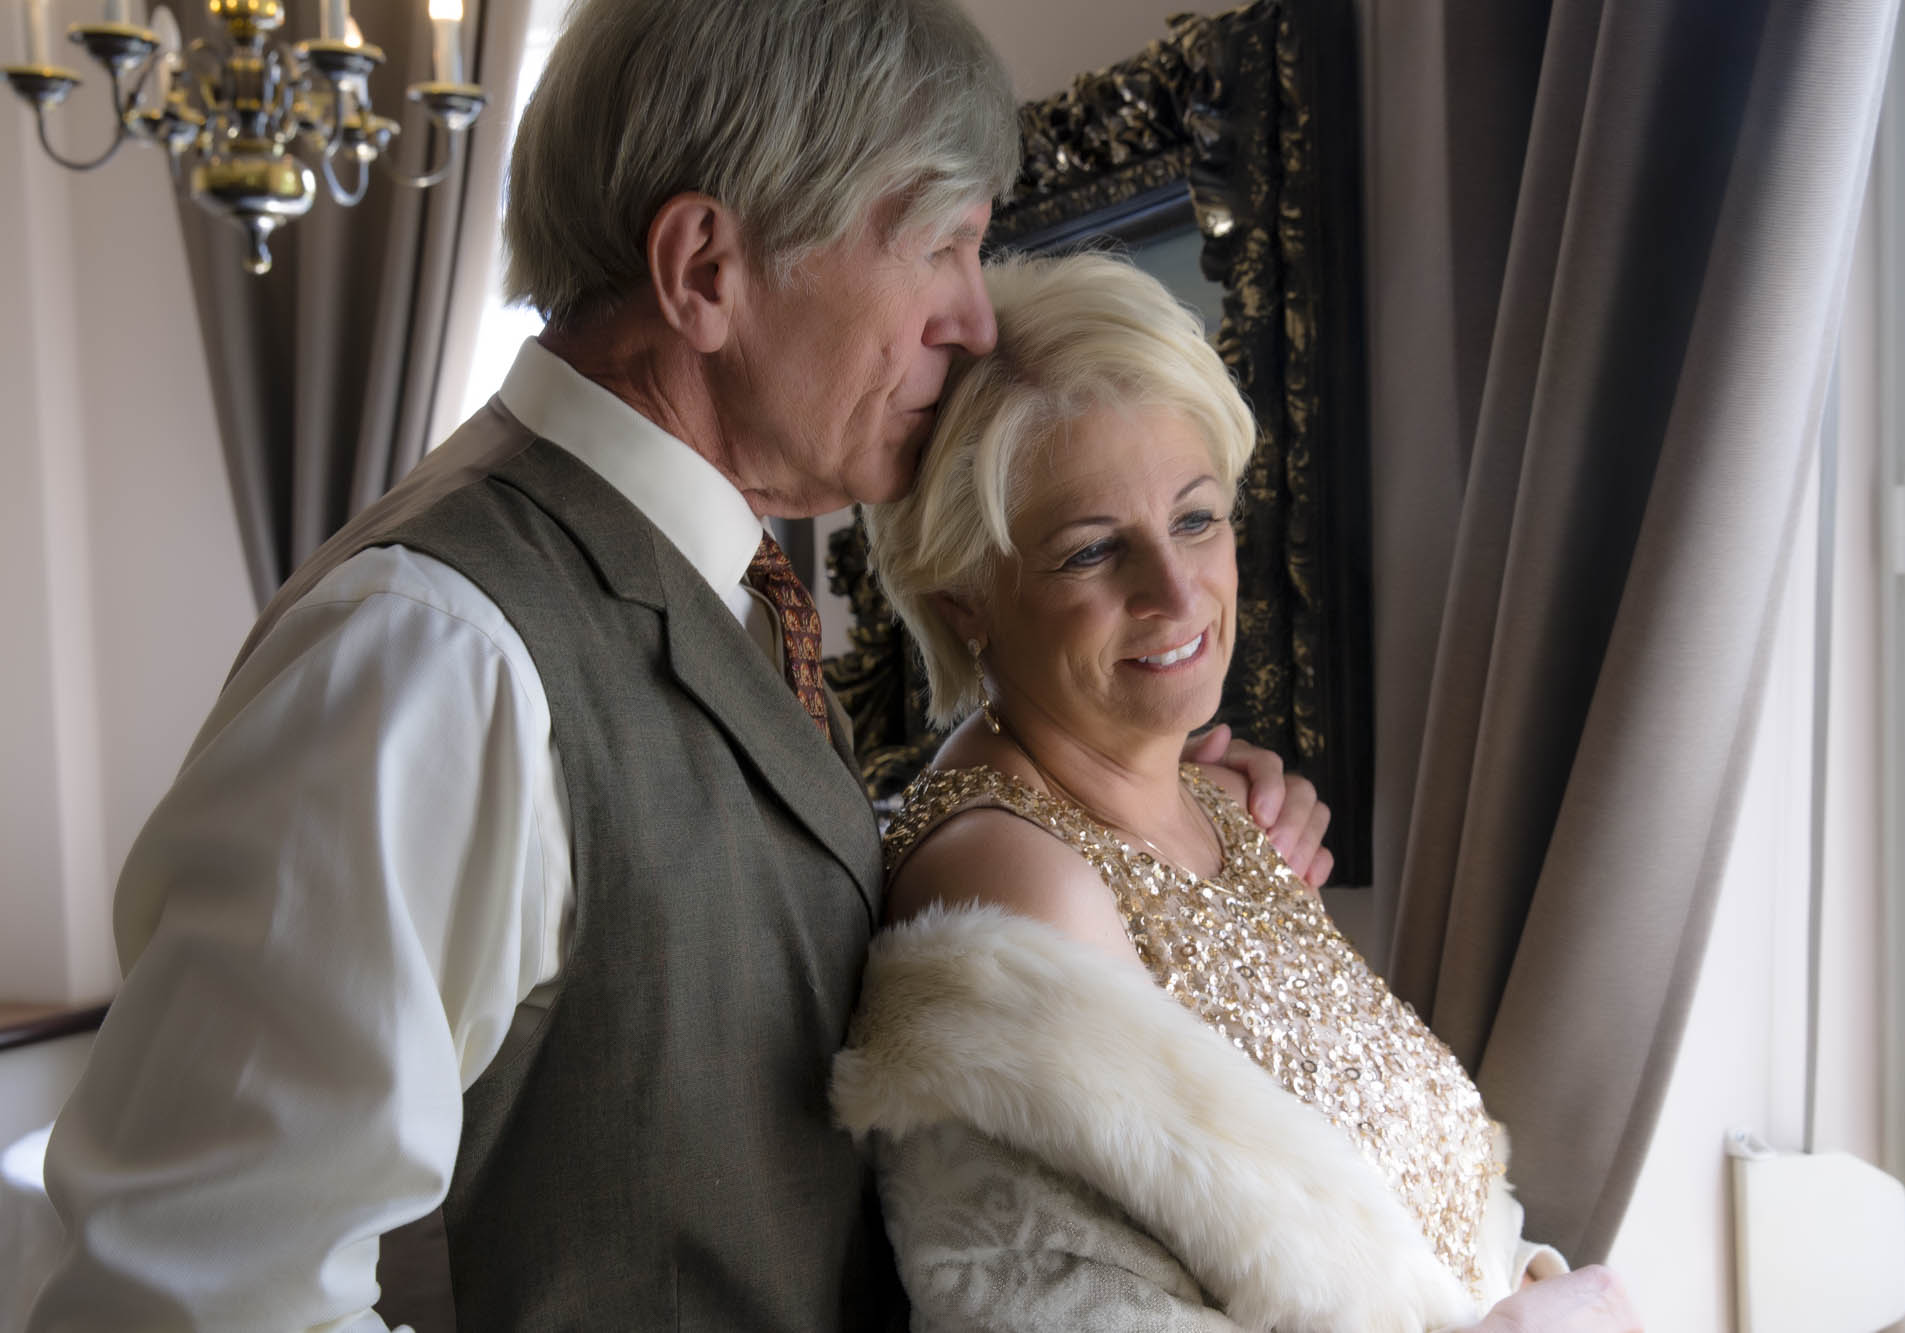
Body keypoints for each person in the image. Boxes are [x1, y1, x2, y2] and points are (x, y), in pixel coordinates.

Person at [24, 5, 1333, 1331]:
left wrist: (1143, 822)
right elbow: (188, 1301)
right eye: (940, 246)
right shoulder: (435, 651)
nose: (975, 322)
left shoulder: (725, 597)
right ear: (705, 269)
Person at [831, 253, 1644, 1332]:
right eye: (1091, 551)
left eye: (1196, 519)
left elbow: (1407, 1215)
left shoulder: (1214, 804)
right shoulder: (1014, 882)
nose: (1176, 594)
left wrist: (1532, 1287)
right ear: (966, 597)